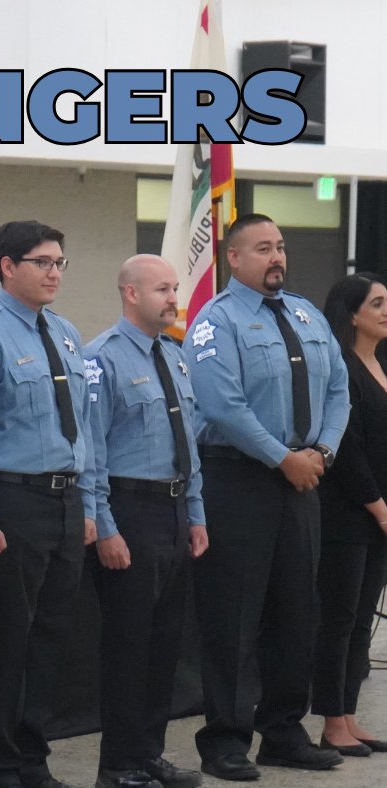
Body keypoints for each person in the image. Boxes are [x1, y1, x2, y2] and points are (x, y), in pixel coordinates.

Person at [184, 213, 350, 781]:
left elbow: (338, 389)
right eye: (262, 248)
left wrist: (321, 454)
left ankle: (283, 731)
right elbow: (223, 405)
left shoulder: (306, 314)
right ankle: (225, 740)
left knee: (297, 611)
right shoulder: (216, 320)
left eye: (280, 247)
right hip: (239, 479)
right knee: (234, 616)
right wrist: (283, 458)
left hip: (305, 480)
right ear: (233, 257)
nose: (276, 257)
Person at [0, 220, 96, 788]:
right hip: (13, 499)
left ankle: (31, 760)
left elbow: (83, 427)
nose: (54, 273)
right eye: (42, 262)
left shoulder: (65, 332)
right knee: (4, 645)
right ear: (7, 267)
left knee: (48, 643)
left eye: (60, 262)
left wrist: (89, 505)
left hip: (65, 503)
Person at [83, 255, 207, 788]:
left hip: (175, 510)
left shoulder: (175, 358)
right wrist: (105, 526)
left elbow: (190, 446)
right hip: (130, 510)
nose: (173, 298)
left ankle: (149, 753)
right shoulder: (102, 359)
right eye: (162, 289)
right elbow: (92, 451)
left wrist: (196, 513)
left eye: (175, 288)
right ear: (131, 293)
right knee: (129, 647)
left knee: (163, 646)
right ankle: (118, 764)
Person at [312, 273, 387, 756]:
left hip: (380, 512)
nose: (385, 310)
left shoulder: (379, 363)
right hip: (349, 512)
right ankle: (330, 721)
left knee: (363, 621)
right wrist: (378, 508)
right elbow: (349, 449)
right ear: (352, 312)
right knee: (337, 619)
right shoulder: (340, 367)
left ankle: (349, 716)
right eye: (377, 303)